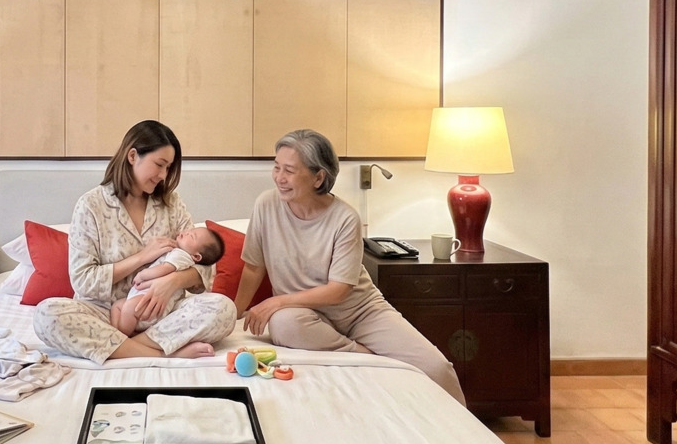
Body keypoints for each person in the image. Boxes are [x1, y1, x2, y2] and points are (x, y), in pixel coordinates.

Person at [235, 129, 466, 406]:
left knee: (436, 367)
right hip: (304, 315)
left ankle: (471, 439)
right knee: (283, 324)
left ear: (319, 177)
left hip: (360, 312)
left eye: (289, 171)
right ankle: (361, 355)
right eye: (276, 167)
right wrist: (232, 317)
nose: (279, 178)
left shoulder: (345, 218)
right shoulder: (266, 205)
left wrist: (277, 301)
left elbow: (339, 291)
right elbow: (253, 268)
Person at [33, 120, 237, 362]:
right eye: (159, 165)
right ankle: (164, 352)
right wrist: (141, 257)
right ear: (132, 156)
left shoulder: (171, 204)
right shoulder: (91, 206)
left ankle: (124, 348)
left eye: (168, 168)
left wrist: (171, 282)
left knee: (224, 309)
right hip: (107, 315)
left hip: (163, 313)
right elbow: (83, 281)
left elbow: (204, 265)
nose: (163, 175)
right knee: (47, 315)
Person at [109, 225, 225, 336]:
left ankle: (124, 337)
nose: (187, 232)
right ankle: (120, 332)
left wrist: (143, 275)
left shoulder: (181, 255)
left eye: (192, 236)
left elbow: (164, 269)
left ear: (196, 256)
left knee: (128, 309)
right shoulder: (178, 252)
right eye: (190, 230)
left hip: (151, 301)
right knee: (117, 306)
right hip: (141, 296)